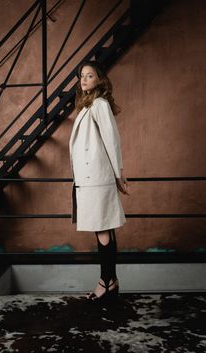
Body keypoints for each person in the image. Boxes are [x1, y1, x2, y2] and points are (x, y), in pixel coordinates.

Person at [69, 60, 129, 303]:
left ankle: (105, 282)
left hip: (97, 179)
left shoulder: (100, 104)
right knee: (103, 230)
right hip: (91, 179)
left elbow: (112, 140)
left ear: (100, 80)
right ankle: (110, 281)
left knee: (103, 230)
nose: (84, 79)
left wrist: (119, 173)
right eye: (82, 75)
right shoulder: (88, 106)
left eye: (90, 75)